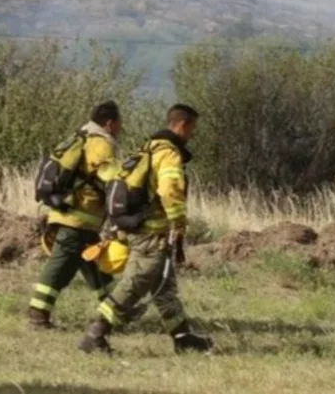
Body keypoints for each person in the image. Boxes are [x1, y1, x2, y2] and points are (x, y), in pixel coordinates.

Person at [78, 104, 212, 355]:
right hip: (151, 233)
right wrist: (178, 223)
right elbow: (170, 188)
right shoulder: (168, 153)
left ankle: (183, 337)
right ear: (182, 125)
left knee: (164, 287)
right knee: (134, 284)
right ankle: (95, 334)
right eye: (192, 128)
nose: (192, 134)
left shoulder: (149, 147)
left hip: (145, 229)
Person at [27, 101, 124, 330]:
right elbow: (111, 177)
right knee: (60, 267)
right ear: (110, 124)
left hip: (77, 218)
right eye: (120, 125)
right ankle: (38, 316)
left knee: (97, 267)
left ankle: (116, 312)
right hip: (77, 217)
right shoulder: (100, 142)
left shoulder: (79, 136)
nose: (120, 129)